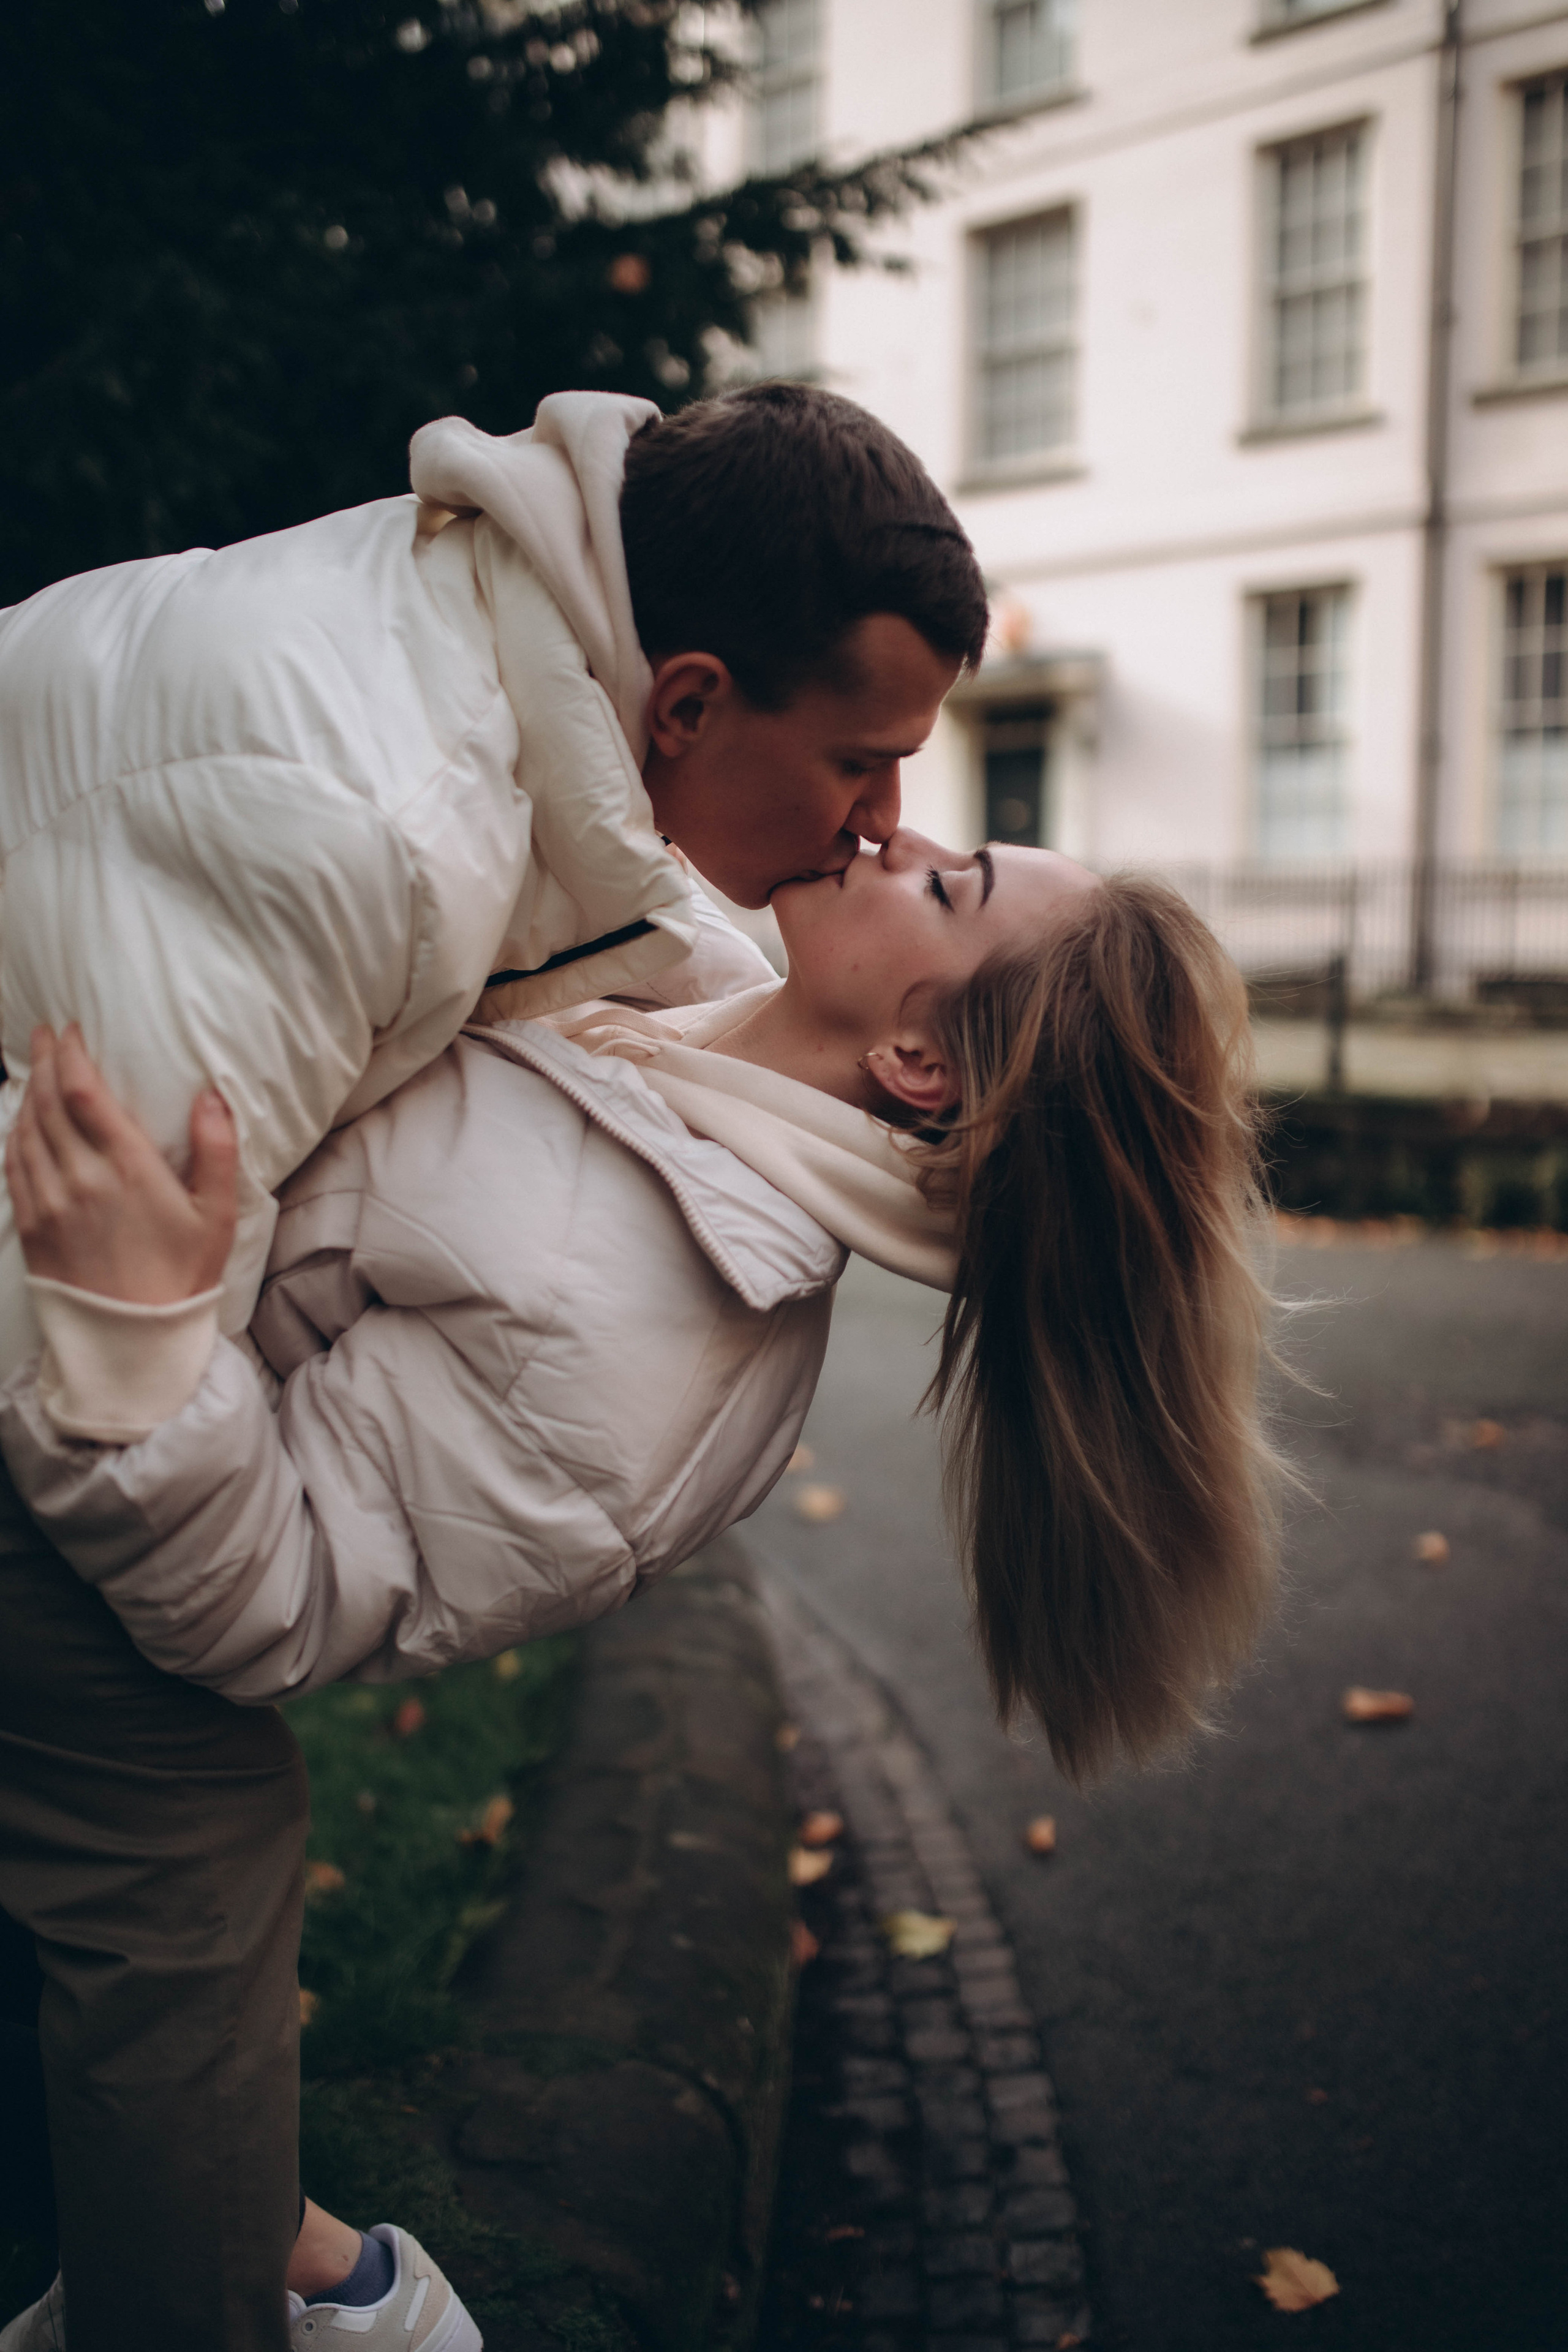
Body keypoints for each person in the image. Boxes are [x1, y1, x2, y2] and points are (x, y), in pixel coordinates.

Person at [1, 831, 1286, 2347]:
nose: (897, 832)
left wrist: (135, 1337)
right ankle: (295, 2258)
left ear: (914, 1060)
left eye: (947, 889)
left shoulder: (661, 1367)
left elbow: (261, 1601)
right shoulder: (688, 962)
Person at [0, 383, 987, 2351]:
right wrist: (136, 1333)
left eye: (938, 837)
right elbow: (107, 1231)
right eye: (869, 764)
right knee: (182, 1847)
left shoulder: (508, 647)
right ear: (688, 701)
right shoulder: (378, 822)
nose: (892, 821)